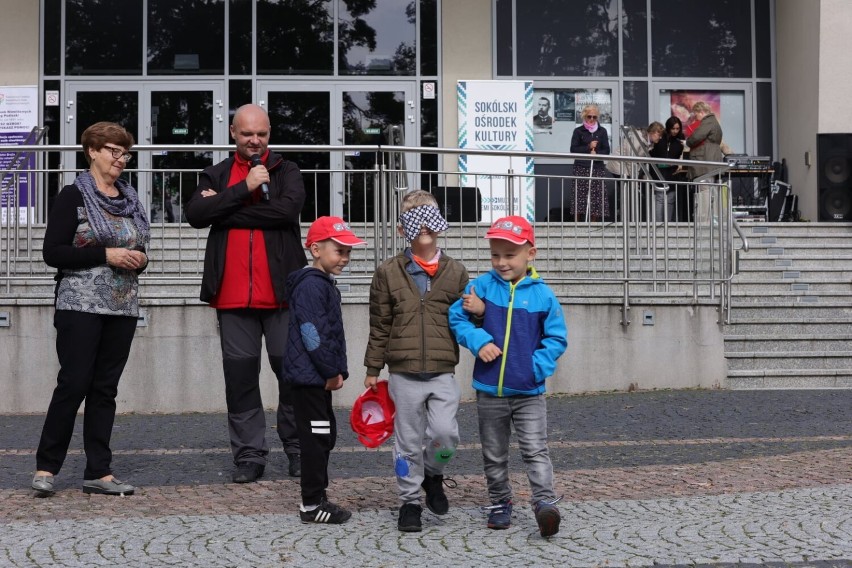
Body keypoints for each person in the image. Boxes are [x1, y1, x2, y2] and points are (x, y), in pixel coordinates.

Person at [185, 104, 305, 484]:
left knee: (293, 376)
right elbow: (195, 214)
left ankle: (299, 450)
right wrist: (244, 189)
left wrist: (225, 209)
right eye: (247, 134)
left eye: (262, 134)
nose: (255, 141)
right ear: (233, 133)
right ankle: (249, 456)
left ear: (269, 133)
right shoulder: (217, 173)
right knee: (240, 380)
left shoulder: (287, 171)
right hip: (232, 299)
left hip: (283, 295)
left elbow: (285, 213)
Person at [32, 122, 149, 497]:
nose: (120, 159)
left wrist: (138, 259)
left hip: (122, 305)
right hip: (79, 304)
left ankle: (99, 471)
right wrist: (105, 254)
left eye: (125, 153)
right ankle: (47, 466)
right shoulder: (72, 195)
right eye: (114, 151)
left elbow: (141, 246)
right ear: (92, 152)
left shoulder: (130, 199)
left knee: (105, 390)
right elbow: (53, 252)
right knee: (73, 383)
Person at [448, 216, 567, 538]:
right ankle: (500, 503)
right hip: (490, 391)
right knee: (494, 452)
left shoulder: (544, 296)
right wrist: (479, 340)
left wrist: (535, 367)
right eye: (495, 255)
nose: (501, 262)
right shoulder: (481, 287)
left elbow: (556, 339)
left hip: (529, 392)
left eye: (509, 255)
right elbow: (456, 318)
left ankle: (545, 504)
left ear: (531, 254)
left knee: (535, 449)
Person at [363, 189, 469, 533]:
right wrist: (371, 369)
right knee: (406, 443)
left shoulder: (456, 272)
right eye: (414, 219)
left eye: (430, 217)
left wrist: (481, 318)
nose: (423, 225)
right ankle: (409, 502)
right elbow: (380, 324)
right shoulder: (388, 273)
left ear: (440, 224)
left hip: (441, 371)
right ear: (401, 229)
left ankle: (433, 475)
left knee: (445, 435)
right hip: (403, 373)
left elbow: (467, 321)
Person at [283, 216, 367, 525]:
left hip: (315, 378)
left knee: (323, 435)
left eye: (348, 252)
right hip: (310, 380)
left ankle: (317, 497)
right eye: (339, 251)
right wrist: (331, 370)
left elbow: (327, 332)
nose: (344, 258)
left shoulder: (321, 285)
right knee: (316, 438)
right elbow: (312, 334)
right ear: (316, 249)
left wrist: (337, 369)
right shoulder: (310, 287)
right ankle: (311, 504)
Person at [570, 105, 611, 221]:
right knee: (579, 197)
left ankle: (593, 224)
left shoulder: (602, 131)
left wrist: (596, 153)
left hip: (597, 168)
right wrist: (588, 147)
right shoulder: (578, 131)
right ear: (584, 116)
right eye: (589, 117)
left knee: (596, 198)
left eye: (594, 117)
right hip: (581, 167)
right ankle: (577, 224)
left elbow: (606, 150)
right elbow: (573, 150)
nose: (592, 119)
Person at [686, 101, 724, 223]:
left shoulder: (707, 122)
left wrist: (688, 141)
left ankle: (704, 220)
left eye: (696, 114)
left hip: (704, 160)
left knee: (704, 190)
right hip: (711, 160)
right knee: (711, 189)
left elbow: (696, 137)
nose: (695, 117)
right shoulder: (714, 122)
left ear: (701, 112)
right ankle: (711, 219)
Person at [651, 116, 688, 221]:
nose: (675, 131)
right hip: (659, 172)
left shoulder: (680, 139)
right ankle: (658, 224)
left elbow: (683, 154)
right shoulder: (661, 137)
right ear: (668, 128)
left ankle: (668, 225)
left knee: (670, 199)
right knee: (660, 199)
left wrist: (679, 164)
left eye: (677, 128)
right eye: (673, 128)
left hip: (673, 173)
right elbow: (654, 153)